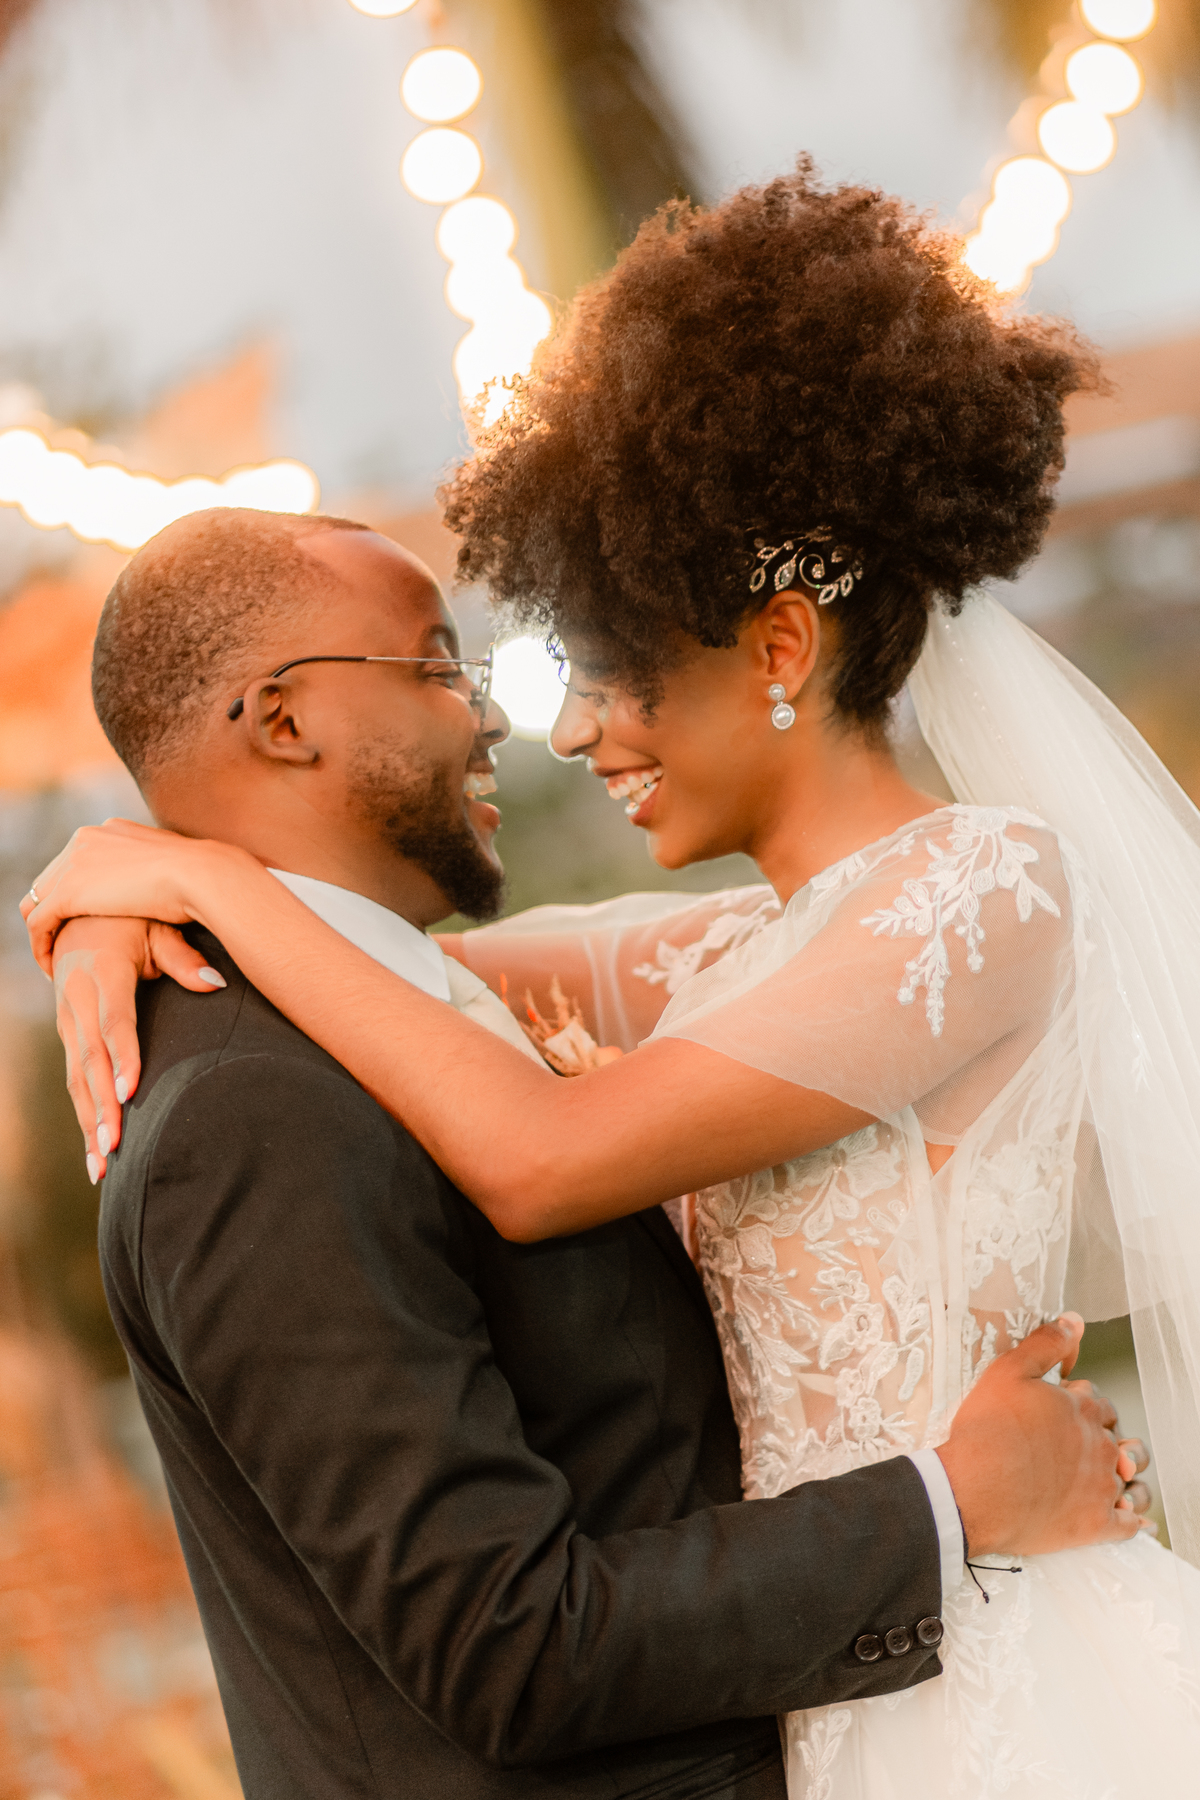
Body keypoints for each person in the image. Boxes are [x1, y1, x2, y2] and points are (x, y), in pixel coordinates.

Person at [24, 162, 1194, 1796]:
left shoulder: (975, 895)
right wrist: (116, 895)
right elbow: (400, 979)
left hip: (988, 1660)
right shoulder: (720, 959)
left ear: (779, 649)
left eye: (613, 666)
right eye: (487, 670)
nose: (568, 733)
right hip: (851, 1665)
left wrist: (187, 875)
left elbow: (531, 1150)